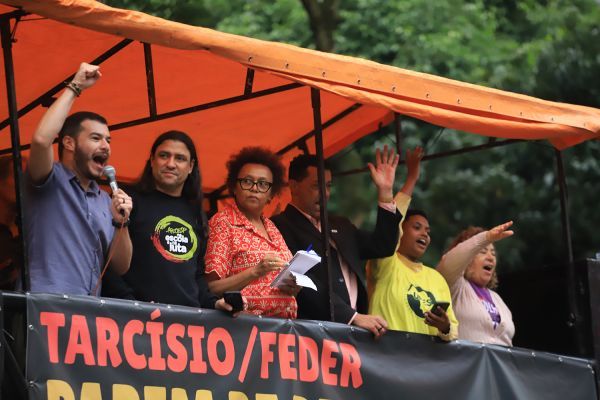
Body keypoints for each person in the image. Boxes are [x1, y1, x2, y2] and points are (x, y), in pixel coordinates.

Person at [24, 62, 132, 295]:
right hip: (44, 304)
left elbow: (121, 267)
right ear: (69, 143)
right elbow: (42, 140)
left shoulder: (105, 200)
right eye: (95, 138)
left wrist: (121, 222)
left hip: (85, 310)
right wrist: (75, 87)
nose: (105, 146)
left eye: (108, 140)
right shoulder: (48, 178)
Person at [271, 146, 401, 338]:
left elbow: (383, 245)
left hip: (357, 331)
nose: (325, 193)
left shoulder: (341, 224)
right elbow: (299, 279)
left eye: (328, 186)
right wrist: (352, 317)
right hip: (312, 334)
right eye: (316, 186)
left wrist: (385, 192)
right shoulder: (279, 226)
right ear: (294, 186)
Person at [101, 131, 234, 312]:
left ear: (191, 166)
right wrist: (131, 303)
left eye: (180, 158)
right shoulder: (128, 200)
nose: (170, 164)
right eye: (164, 156)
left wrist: (214, 303)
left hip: (188, 320)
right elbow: (107, 261)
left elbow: (197, 276)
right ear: (152, 160)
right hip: (136, 318)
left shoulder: (196, 212)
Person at [369, 147, 459, 340]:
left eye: (428, 231)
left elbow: (453, 332)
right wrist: (412, 179)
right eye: (417, 227)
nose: (424, 234)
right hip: (386, 354)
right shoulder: (385, 264)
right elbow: (391, 224)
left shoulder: (436, 278)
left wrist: (444, 327)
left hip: (426, 359)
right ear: (401, 231)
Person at [205, 147, 299, 318]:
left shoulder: (272, 227)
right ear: (234, 187)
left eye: (263, 184)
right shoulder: (223, 223)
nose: (254, 188)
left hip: (283, 328)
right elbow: (211, 288)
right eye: (248, 181)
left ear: (271, 195)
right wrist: (255, 271)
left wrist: (293, 287)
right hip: (245, 327)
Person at [436, 222, 515, 346]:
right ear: (467, 258)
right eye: (483, 252)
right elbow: (449, 263)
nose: (491, 257)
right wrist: (485, 237)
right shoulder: (455, 286)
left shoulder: (498, 299)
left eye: (493, 253)